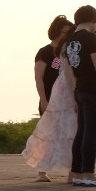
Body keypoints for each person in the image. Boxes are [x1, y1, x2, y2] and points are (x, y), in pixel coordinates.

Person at [60, 5, 96, 187]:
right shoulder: (92, 39)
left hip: (80, 90)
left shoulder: (70, 42)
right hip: (95, 90)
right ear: (94, 21)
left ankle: (76, 173)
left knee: (82, 132)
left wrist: (74, 93)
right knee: (92, 133)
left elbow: (69, 73)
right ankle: (89, 174)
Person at [22, 15, 75, 181]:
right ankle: (42, 171)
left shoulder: (70, 50)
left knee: (70, 132)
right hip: (50, 99)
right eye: (63, 32)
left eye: (68, 32)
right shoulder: (45, 52)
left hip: (67, 99)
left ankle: (73, 169)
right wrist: (43, 99)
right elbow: (39, 77)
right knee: (47, 134)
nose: (65, 35)